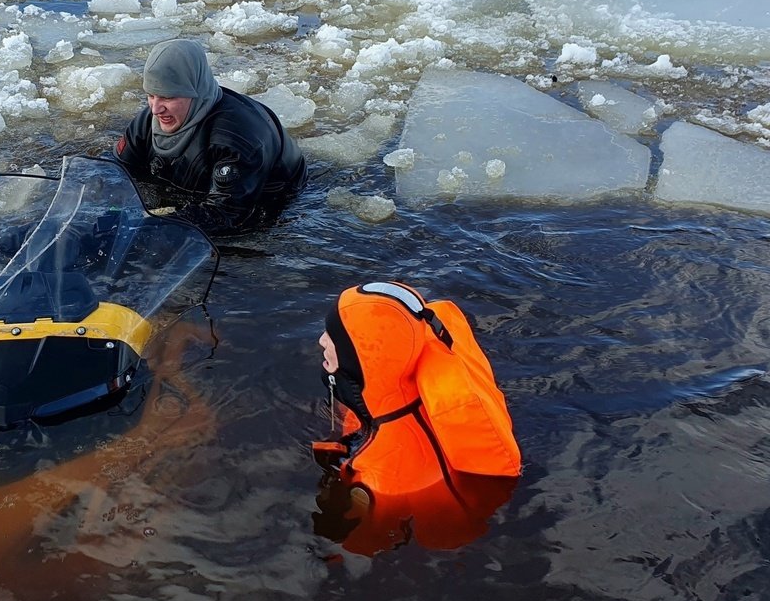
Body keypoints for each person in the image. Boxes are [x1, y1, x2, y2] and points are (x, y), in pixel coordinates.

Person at [311, 280, 521, 553]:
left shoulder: (382, 480)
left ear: (360, 360)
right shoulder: (402, 385)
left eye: (334, 336)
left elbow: (372, 538)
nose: (321, 340)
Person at [113, 38, 307, 236]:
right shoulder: (146, 123)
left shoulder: (236, 138)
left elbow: (226, 214)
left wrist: (153, 224)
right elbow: (117, 172)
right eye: (151, 95)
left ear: (195, 91)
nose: (155, 108)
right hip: (195, 190)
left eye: (168, 97)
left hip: (266, 198)